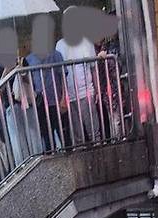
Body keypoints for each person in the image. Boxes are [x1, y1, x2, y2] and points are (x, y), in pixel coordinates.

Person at [56, 6, 101, 145]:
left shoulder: (86, 42)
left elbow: (93, 69)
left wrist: (97, 90)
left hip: (87, 91)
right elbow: (60, 73)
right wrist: (63, 96)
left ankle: (98, 150)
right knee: (77, 134)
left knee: (94, 130)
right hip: (70, 94)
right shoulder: (60, 45)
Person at [26, 14, 70, 151]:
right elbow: (28, 81)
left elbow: (63, 76)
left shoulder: (56, 55)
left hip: (56, 100)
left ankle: (67, 155)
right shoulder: (29, 59)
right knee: (46, 135)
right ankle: (51, 156)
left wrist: (64, 99)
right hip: (40, 103)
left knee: (63, 132)